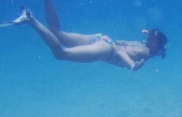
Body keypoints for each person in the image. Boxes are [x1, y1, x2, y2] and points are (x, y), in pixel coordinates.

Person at [7, 1, 168, 71]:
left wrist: (150, 37)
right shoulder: (146, 53)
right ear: (156, 46)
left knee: (57, 33)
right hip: (106, 49)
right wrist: (131, 66)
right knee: (61, 54)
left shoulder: (143, 44)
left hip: (103, 38)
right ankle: (30, 19)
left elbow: (120, 43)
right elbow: (119, 51)